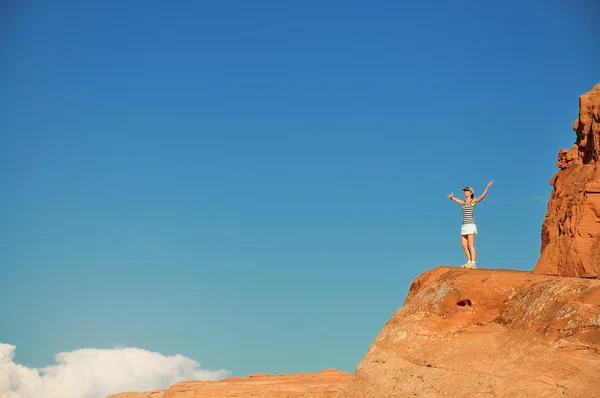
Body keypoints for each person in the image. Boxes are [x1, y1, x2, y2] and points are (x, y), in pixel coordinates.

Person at [447, 181, 494, 269]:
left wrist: (487, 187)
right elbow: (458, 201)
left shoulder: (473, 201)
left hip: (470, 224)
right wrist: (452, 197)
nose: (465, 192)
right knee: (464, 245)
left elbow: (481, 197)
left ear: (471, 192)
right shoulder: (464, 203)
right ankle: (469, 262)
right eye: (464, 191)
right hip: (464, 225)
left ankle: (473, 263)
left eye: (467, 191)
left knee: (470, 244)